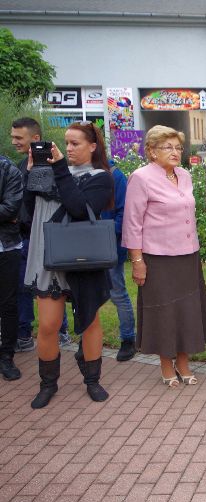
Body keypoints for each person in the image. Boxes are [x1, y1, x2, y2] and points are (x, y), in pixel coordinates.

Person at [23, 122, 114, 408]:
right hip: (49, 256)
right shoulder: (47, 171)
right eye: (66, 143)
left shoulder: (101, 177)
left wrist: (60, 168)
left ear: (92, 146)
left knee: (90, 321)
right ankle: (48, 384)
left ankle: (92, 380)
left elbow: (78, 208)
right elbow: (27, 212)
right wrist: (30, 174)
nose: (68, 148)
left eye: (75, 143)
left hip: (83, 258)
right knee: (48, 325)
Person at [122, 125, 206, 388]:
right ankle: (166, 363)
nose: (175, 152)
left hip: (188, 255)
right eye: (168, 147)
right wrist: (137, 261)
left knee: (187, 311)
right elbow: (132, 224)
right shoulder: (141, 178)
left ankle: (183, 362)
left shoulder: (184, 175)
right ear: (152, 151)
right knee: (164, 312)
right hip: (158, 258)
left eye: (178, 147)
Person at [10, 117, 71, 352]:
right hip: (24, 235)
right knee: (24, 287)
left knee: (53, 285)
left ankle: (60, 331)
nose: (14, 142)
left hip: (48, 236)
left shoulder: (57, 165)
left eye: (19, 137)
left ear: (35, 138)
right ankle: (25, 334)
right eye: (12, 137)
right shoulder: (21, 166)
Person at [101, 161, 136, 362]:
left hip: (110, 246)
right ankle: (85, 341)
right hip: (83, 246)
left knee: (117, 293)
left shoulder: (115, 175)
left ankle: (128, 339)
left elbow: (124, 213)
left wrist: (103, 232)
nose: (70, 149)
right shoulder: (76, 173)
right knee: (85, 296)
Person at [0, 157, 23, 380]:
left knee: (7, 304)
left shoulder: (8, 170)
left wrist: (8, 214)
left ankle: (6, 356)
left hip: (6, 247)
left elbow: (10, 209)